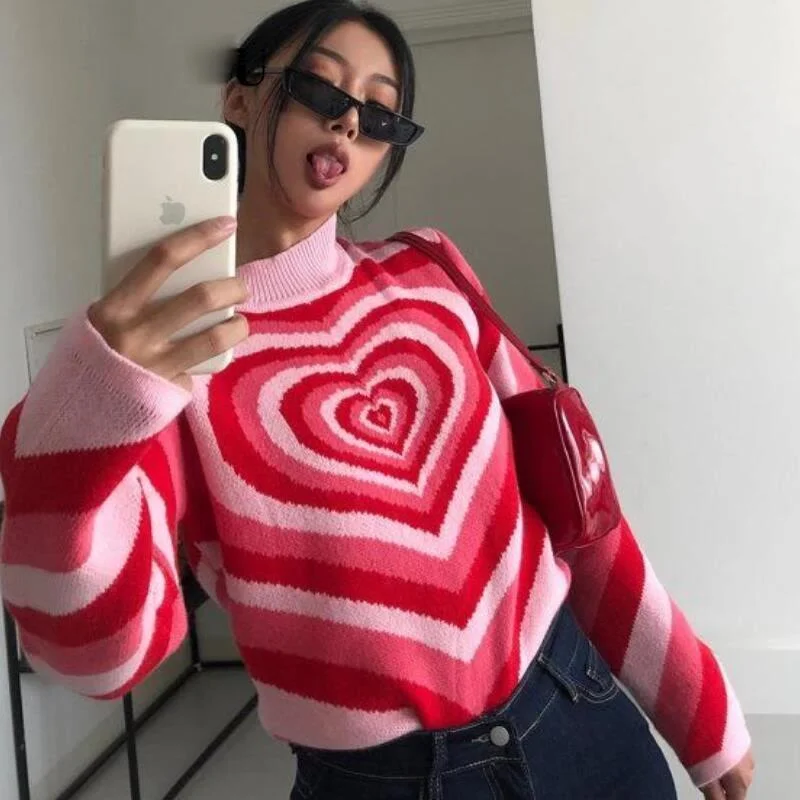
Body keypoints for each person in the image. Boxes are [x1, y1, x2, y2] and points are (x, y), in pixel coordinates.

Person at [0, 1, 755, 798]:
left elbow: (577, 512)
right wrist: (92, 398)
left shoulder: (430, 270)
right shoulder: (166, 360)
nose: (349, 124)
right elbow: (98, 658)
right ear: (241, 98)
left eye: (380, 114)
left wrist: (699, 708)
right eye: (320, 90)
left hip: (577, 711)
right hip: (379, 784)